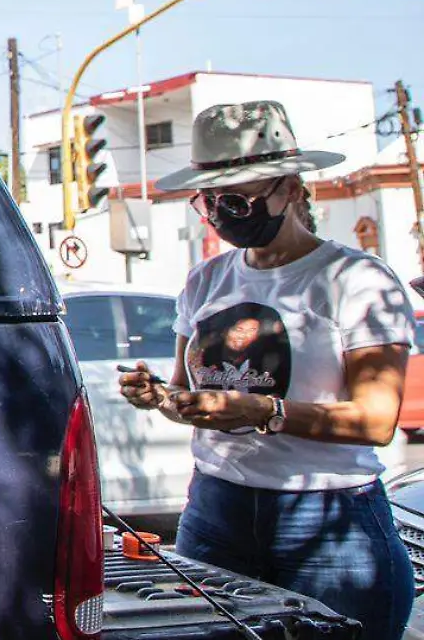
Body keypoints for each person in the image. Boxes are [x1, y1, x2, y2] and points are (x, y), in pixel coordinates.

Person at [118, 100, 414, 640]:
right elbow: (188, 397)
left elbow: (376, 421)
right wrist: (158, 396)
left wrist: (264, 411)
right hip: (215, 507)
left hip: (328, 515)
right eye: (211, 201)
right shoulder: (205, 281)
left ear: (292, 188)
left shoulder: (356, 280)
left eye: (240, 197)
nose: (225, 212)